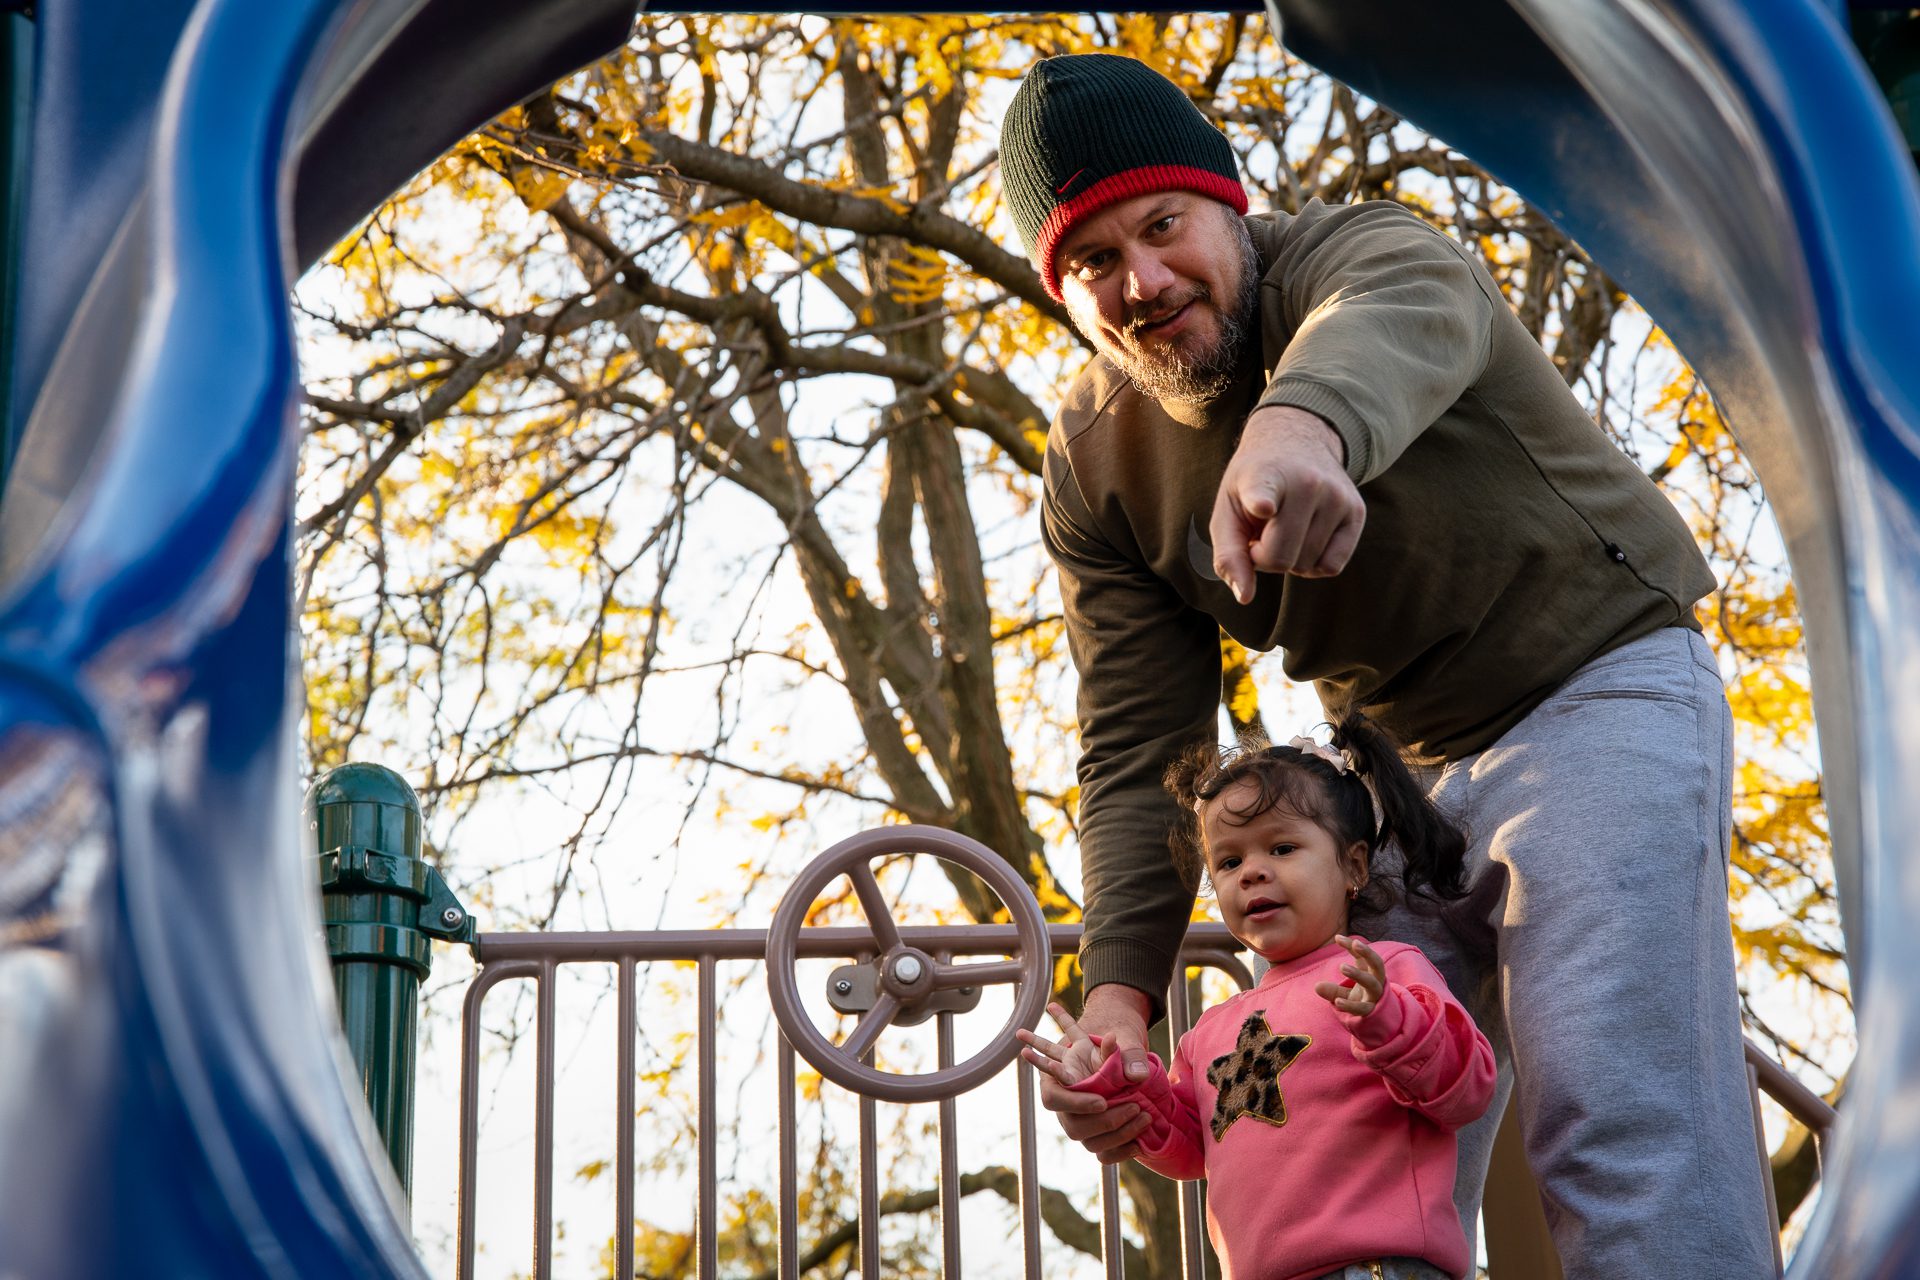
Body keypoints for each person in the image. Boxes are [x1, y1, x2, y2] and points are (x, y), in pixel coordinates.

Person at [998, 52, 1775, 1278]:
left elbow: (1399, 309)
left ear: (1228, 205)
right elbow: (1139, 749)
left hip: (1593, 681)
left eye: (1162, 226)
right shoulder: (1096, 461)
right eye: (1095, 261)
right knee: (1338, 1120)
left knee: (1609, 1110)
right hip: (1391, 787)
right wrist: (1120, 998)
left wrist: (1300, 425)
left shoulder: (1353, 253)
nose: (1142, 281)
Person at [1019, 717, 1497, 1280]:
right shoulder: (1209, 1032)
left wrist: (1390, 1021)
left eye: (1282, 846)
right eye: (1229, 861)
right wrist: (1118, 1082)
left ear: (1354, 865)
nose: (1252, 872)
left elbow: (1466, 1091)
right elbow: (1188, 1150)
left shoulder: (1388, 971)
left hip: (1377, 1268)